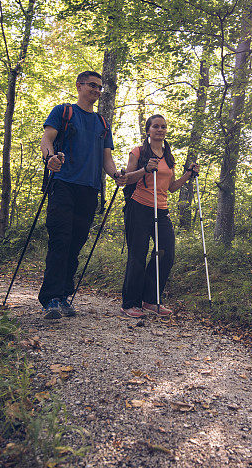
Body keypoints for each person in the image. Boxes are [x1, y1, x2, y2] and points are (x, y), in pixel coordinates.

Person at [39, 71, 120, 319]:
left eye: (100, 88)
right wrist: (50, 158)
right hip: (63, 184)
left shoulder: (103, 123)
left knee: (76, 243)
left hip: (89, 189)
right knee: (60, 239)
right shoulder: (64, 112)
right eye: (92, 86)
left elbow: (107, 160)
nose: (96, 90)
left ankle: (64, 295)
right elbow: (46, 140)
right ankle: (50, 298)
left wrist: (118, 176)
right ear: (79, 86)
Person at [116, 114, 200, 318]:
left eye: (163, 127)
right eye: (155, 126)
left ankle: (150, 300)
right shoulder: (138, 152)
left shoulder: (168, 156)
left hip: (161, 210)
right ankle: (130, 303)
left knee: (166, 253)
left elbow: (171, 187)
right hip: (139, 207)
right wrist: (145, 169)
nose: (160, 130)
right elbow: (125, 180)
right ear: (148, 130)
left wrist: (188, 175)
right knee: (138, 255)